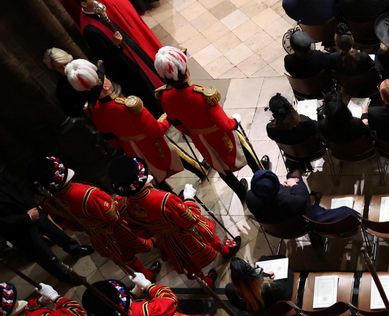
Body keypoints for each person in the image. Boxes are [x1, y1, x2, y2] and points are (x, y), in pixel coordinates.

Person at [64, 59, 207, 186]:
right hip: (152, 144)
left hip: (130, 148)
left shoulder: (93, 111)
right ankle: (201, 171)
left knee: (152, 177)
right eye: (106, 78)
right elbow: (157, 130)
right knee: (174, 155)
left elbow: (111, 139)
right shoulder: (127, 105)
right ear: (106, 86)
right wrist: (168, 116)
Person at [109, 155, 239, 287]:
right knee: (207, 235)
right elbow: (191, 218)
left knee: (185, 261)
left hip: (165, 239)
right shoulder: (163, 199)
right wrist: (189, 198)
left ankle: (205, 281)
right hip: (185, 231)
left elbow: (141, 232)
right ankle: (225, 251)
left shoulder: (122, 204)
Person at [153, 46, 262, 201]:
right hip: (220, 134)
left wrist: (195, 132)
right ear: (185, 70)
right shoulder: (201, 94)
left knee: (219, 166)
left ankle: (241, 193)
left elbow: (177, 123)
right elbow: (225, 124)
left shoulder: (164, 96)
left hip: (200, 139)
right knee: (246, 151)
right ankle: (263, 176)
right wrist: (235, 122)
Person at [29, 156, 159, 279]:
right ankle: (154, 247)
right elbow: (113, 216)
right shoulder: (88, 194)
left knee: (120, 255)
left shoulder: (47, 203)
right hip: (115, 228)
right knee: (135, 237)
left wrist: (89, 226)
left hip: (95, 233)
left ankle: (144, 274)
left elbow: (65, 223)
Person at [0, 175, 93, 285]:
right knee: (42, 253)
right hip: (16, 227)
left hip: (29, 209)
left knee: (53, 230)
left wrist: (32, 206)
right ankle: (66, 276)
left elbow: (19, 186)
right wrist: (27, 217)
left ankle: (73, 248)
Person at [79, 0, 164, 116]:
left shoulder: (97, 11)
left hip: (128, 49)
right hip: (123, 65)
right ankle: (160, 112)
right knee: (144, 88)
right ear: (83, 4)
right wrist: (115, 45)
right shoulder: (89, 29)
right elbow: (104, 57)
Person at [247, 169, 359, 225]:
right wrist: (294, 185)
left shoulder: (249, 197)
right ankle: (299, 167)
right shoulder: (291, 201)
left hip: (278, 227)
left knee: (292, 175)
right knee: (294, 175)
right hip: (298, 225)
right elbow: (303, 199)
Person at [265, 93, 320, 173]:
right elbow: (317, 128)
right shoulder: (304, 121)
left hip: (293, 154)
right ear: (290, 108)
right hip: (313, 151)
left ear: (274, 114)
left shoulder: (270, 129)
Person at [224, 257, 293, 316]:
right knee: (286, 266)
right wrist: (268, 278)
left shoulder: (230, 290)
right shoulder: (272, 288)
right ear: (254, 275)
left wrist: (264, 275)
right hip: (279, 310)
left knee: (263, 259)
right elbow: (287, 296)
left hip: (261, 315)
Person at [43, 48, 88, 118]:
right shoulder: (62, 89)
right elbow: (71, 112)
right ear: (55, 69)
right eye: (59, 67)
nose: (65, 68)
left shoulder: (85, 66)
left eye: (66, 63)